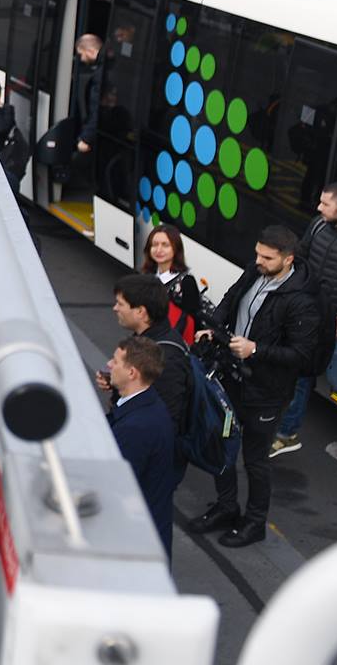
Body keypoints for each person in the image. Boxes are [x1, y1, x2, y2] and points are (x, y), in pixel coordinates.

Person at [189, 226, 321, 547]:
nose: (259, 261)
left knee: (254, 460)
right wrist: (215, 328)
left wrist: (255, 350)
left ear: (288, 259)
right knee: (221, 443)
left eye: (267, 257)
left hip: (266, 392)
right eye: (257, 254)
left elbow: (301, 355)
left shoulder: (303, 301)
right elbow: (231, 298)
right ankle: (226, 507)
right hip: (232, 377)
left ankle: (254, 522)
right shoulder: (255, 270)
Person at [274, 181, 337, 454]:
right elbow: (301, 257)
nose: (318, 208)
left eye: (325, 203)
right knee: (301, 377)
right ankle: (287, 433)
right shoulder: (319, 225)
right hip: (309, 319)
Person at [102, 336, 178, 555]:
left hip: (135, 542)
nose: (109, 364)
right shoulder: (147, 405)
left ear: (132, 373)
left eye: (116, 361)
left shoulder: (136, 428)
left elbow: (115, 487)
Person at [102, 276, 190, 465]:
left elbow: (166, 419)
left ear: (141, 312)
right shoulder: (152, 338)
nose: (115, 308)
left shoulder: (167, 357)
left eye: (121, 304)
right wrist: (116, 381)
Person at [140, 224, 207, 346]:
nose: (159, 250)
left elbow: (192, 321)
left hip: (171, 344)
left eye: (165, 245)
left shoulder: (186, 282)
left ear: (176, 249)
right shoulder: (147, 275)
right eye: (154, 245)